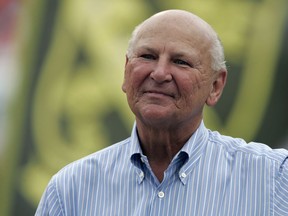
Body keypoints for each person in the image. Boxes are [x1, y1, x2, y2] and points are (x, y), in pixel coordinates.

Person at [35, 9, 288, 215]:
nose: (159, 73)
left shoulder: (272, 179)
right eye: (146, 56)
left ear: (216, 86)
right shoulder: (70, 190)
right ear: (125, 72)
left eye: (180, 61)